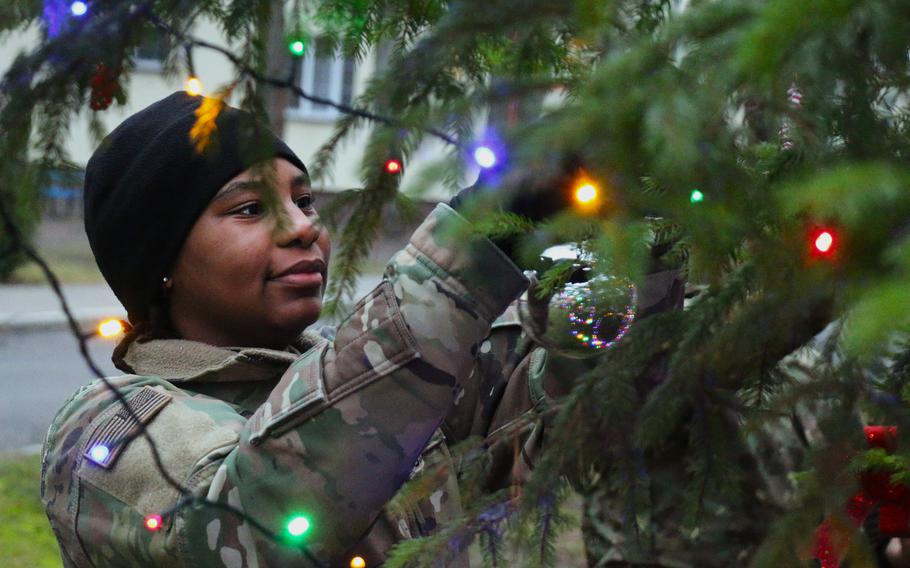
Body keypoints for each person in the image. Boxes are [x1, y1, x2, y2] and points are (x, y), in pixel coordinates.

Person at [40, 91, 683, 568]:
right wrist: (469, 241)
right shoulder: (104, 429)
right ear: (162, 265)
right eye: (249, 207)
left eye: (305, 200)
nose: (303, 228)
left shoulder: (384, 380)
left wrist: (623, 259)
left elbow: (583, 426)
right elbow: (243, 529)